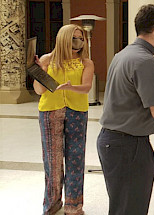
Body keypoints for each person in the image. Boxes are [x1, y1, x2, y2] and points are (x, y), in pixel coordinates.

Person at [97, 4, 154, 215]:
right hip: (128, 146)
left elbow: (128, 98)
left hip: (114, 142)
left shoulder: (124, 54)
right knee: (132, 208)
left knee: (122, 206)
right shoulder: (146, 61)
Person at [33, 24, 94, 215]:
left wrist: (69, 87)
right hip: (50, 112)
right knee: (52, 160)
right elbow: (39, 90)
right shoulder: (47, 60)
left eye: (81, 38)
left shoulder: (86, 62)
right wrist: (41, 69)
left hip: (77, 112)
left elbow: (86, 87)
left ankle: (74, 205)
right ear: (63, 39)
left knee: (76, 159)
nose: (79, 42)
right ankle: (52, 204)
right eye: (74, 37)